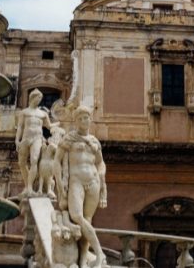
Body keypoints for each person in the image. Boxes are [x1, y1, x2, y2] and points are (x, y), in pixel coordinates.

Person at [54, 105, 107, 268]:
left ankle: (83, 261)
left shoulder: (94, 141)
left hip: (93, 183)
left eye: (86, 117)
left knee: (88, 220)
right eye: (80, 118)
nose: (84, 120)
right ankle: (100, 252)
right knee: (77, 216)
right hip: (75, 181)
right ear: (76, 121)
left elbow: (100, 163)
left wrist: (101, 179)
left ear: (90, 120)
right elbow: (56, 160)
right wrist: (60, 183)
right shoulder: (69, 139)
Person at [15, 89, 51, 196]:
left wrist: (59, 125)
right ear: (32, 98)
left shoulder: (43, 114)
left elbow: (49, 126)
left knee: (34, 160)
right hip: (26, 138)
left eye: (40, 98)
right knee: (21, 163)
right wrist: (17, 140)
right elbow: (20, 127)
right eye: (37, 98)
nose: (39, 100)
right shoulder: (24, 112)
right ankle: (27, 185)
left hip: (37, 138)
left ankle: (30, 187)